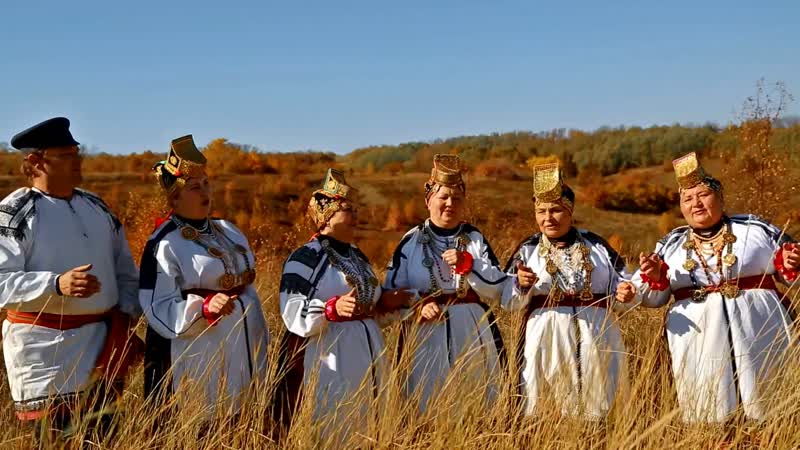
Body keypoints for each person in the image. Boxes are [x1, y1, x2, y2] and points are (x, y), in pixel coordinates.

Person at [618, 152, 798, 423]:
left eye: (703, 195)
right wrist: (641, 284)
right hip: (698, 340)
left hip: (761, 331)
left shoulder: (754, 228)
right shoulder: (671, 244)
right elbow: (652, 294)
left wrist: (790, 261)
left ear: (721, 198)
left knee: (770, 406)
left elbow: (790, 264)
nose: (696, 203)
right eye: (687, 198)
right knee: (709, 411)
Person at [0, 117, 142, 439]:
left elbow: (125, 273)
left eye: (77, 153)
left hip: (103, 349)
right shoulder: (14, 213)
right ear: (36, 161)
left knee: (105, 436)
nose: (78, 162)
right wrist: (55, 285)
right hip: (44, 355)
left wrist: (127, 315)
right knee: (54, 439)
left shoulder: (97, 208)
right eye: (66, 155)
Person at [139, 135, 269, 420]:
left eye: (206, 184)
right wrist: (202, 309)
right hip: (197, 349)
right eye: (194, 187)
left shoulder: (228, 230)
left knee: (243, 420)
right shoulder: (163, 242)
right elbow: (155, 306)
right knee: (204, 421)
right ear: (174, 196)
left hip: (243, 345)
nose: (204, 192)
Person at [275, 169, 404, 437]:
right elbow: (292, 310)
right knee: (334, 425)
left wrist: (386, 303)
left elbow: (366, 304)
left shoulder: (357, 256)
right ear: (326, 214)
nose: (355, 215)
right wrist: (330, 309)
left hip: (367, 351)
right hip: (329, 357)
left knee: (368, 424)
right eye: (347, 209)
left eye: (355, 209)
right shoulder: (306, 256)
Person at [503, 163, 631, 419]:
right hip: (546, 336)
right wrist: (521, 285)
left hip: (597, 335)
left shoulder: (596, 245)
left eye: (555, 210)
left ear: (570, 211)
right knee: (547, 408)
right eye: (541, 211)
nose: (547, 218)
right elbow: (508, 298)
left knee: (602, 402)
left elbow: (621, 281)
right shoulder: (527, 249)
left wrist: (624, 292)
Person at [383, 154, 507, 412]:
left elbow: (497, 284)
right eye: (443, 197)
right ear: (428, 201)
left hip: (471, 328)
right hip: (425, 332)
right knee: (425, 404)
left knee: (476, 400)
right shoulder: (411, 240)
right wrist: (416, 306)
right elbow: (390, 293)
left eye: (457, 199)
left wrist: (469, 264)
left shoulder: (474, 238)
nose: (450, 203)